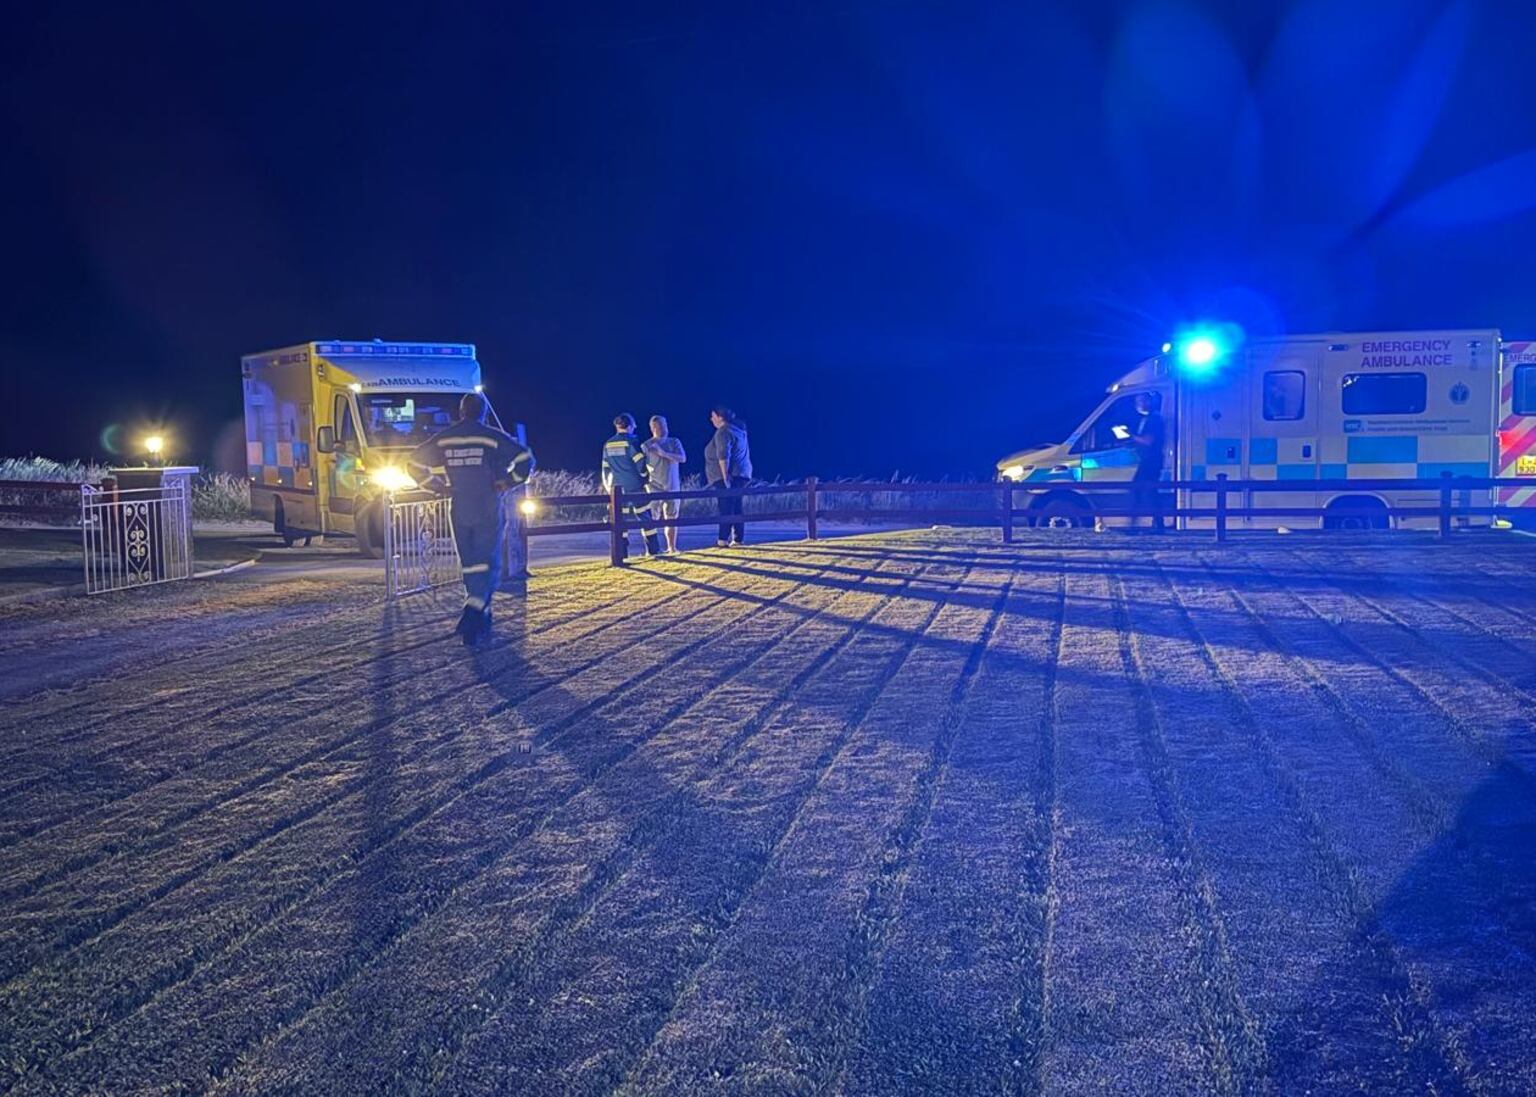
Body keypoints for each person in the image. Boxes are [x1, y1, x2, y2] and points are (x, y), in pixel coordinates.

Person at [407, 392, 535, 645]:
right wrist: (508, 482)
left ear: (461, 412)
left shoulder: (446, 438)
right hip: (487, 505)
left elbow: (412, 462)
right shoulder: (490, 437)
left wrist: (436, 486)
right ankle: (473, 610)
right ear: (483, 412)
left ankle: (480, 620)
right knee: (487, 562)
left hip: (459, 506)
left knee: (469, 562)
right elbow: (525, 458)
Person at [602, 413, 661, 558]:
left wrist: (608, 487)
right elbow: (641, 465)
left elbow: (605, 468)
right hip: (635, 488)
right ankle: (654, 551)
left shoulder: (608, 444)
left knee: (620, 522)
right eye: (634, 425)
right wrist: (645, 477)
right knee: (645, 519)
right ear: (629, 426)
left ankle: (621, 554)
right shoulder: (632, 442)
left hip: (617, 490)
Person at [704, 405, 752, 547]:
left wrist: (725, 476)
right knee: (735, 505)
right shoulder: (738, 430)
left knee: (726, 506)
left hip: (729, 476)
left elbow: (724, 455)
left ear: (720, 417)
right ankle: (737, 538)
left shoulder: (723, 432)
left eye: (713, 416)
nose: (711, 419)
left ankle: (722, 539)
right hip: (742, 474)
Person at [642, 414, 686, 554]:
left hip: (672, 486)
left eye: (665, 425)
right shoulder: (646, 445)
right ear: (653, 427)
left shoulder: (674, 442)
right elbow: (641, 466)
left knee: (671, 517)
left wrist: (664, 453)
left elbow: (682, 458)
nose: (665, 428)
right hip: (653, 486)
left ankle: (672, 548)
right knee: (652, 518)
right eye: (661, 425)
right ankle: (652, 549)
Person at [1127, 391, 1166, 533]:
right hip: (1149, 460)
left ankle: (1134, 524)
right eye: (1138, 402)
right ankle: (1157, 523)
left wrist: (1130, 436)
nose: (1139, 405)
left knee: (1138, 489)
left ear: (1149, 402)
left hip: (1151, 461)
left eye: (1142, 401)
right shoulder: (1149, 418)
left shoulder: (1154, 419)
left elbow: (1148, 440)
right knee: (1150, 491)